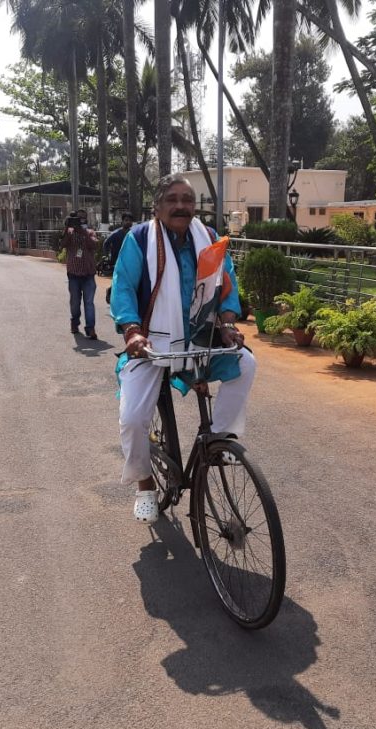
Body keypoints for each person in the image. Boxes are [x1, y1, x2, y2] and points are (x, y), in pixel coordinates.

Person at [110, 175, 253, 524]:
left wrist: (228, 323)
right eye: (172, 199)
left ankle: (219, 439)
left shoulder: (208, 239)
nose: (181, 206)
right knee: (132, 419)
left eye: (187, 200)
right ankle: (145, 487)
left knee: (246, 364)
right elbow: (124, 287)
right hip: (151, 343)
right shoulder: (140, 238)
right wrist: (131, 331)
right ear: (157, 207)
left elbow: (226, 284)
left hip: (200, 338)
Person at [63, 210, 100, 338]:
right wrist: (67, 228)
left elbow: (95, 245)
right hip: (73, 274)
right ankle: (74, 322)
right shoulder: (69, 233)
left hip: (88, 274)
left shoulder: (90, 232)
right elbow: (62, 244)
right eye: (78, 219)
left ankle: (90, 329)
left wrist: (83, 232)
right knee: (75, 302)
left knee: (89, 303)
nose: (80, 221)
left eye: (83, 219)